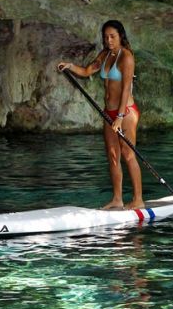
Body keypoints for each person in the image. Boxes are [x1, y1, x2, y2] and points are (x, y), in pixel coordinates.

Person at [57, 20, 144, 210]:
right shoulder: (105, 54)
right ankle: (117, 199)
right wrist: (70, 66)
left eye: (112, 36)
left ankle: (138, 199)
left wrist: (120, 117)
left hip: (126, 113)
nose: (109, 40)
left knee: (128, 155)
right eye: (106, 37)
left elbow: (126, 88)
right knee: (113, 155)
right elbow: (87, 70)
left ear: (121, 36)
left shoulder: (126, 57)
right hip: (109, 112)